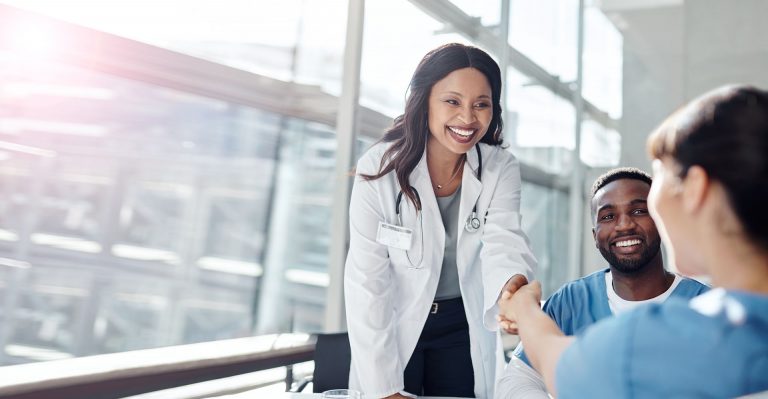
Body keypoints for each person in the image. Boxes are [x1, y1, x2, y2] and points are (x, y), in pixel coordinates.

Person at [499, 85, 768, 398]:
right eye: (608, 216)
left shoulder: (663, 339)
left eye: (659, 176)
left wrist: (525, 307)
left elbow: (557, 363)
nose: (626, 223)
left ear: (695, 189)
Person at [344, 43, 537, 399]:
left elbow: (504, 241)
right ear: (424, 101)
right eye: (452, 101)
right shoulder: (379, 169)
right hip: (394, 322)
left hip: (460, 325)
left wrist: (512, 290)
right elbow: (367, 281)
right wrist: (384, 389)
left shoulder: (499, 167)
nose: (468, 118)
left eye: (481, 104)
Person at [495, 167, 709, 398]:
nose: (624, 225)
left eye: (638, 211)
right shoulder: (569, 302)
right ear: (595, 235)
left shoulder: (705, 306)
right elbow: (517, 380)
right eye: (608, 216)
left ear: (661, 221)